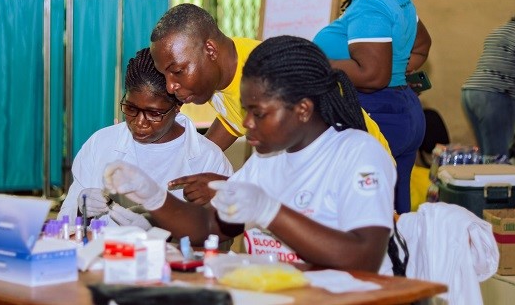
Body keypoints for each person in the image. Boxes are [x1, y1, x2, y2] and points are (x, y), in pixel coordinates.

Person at [105, 36, 396, 273]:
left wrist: (270, 212)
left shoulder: (358, 153)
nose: (246, 124)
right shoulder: (267, 160)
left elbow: (364, 257)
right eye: (246, 110)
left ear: (303, 109)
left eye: (258, 113)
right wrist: (155, 199)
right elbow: (208, 226)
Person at [150, 3, 392, 202]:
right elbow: (230, 119)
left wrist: (230, 187)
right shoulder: (221, 72)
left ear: (210, 50)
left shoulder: (267, 80)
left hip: (358, 177)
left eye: (178, 71)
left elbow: (305, 170)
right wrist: (189, 161)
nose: (171, 85)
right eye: (165, 75)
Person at [312, 0, 430, 214]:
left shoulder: (369, 8)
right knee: (395, 209)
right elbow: (422, 47)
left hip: (375, 115)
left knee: (363, 212)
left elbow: (372, 76)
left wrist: (316, 64)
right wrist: (397, 74)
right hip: (405, 112)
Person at [57, 48, 233, 227]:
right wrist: (81, 210)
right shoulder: (100, 144)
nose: (139, 122)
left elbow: (221, 235)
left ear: (178, 105)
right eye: (131, 109)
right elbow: (63, 227)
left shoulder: (209, 159)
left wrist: (162, 234)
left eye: (154, 113)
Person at [462, 0, 515, 157]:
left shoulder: (500, 30)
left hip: (471, 93)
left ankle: (487, 178)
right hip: (497, 96)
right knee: (500, 156)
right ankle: (497, 182)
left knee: (488, 154)